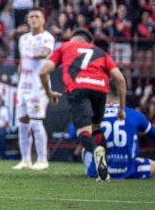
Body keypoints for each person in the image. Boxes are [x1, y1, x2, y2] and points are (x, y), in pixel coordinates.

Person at [39, 28, 127, 181]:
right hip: (100, 89)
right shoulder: (101, 52)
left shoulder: (65, 47)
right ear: (90, 42)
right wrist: (121, 109)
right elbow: (120, 79)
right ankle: (103, 169)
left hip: (78, 87)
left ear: (73, 39)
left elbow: (43, 71)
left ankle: (96, 150)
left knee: (83, 132)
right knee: (96, 127)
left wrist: (49, 93)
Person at [81, 84, 155, 180]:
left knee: (85, 146)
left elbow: (73, 133)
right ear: (122, 94)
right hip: (127, 169)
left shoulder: (93, 113)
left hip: (96, 171)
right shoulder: (133, 114)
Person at [13, 8, 56, 170]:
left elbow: (45, 53)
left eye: (37, 16)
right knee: (22, 123)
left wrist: (38, 53)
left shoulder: (47, 37)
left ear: (43, 20)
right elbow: (21, 62)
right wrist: (19, 82)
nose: (33, 19)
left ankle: (43, 160)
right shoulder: (23, 39)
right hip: (24, 86)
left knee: (36, 122)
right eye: (31, 16)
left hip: (38, 86)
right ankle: (25, 159)